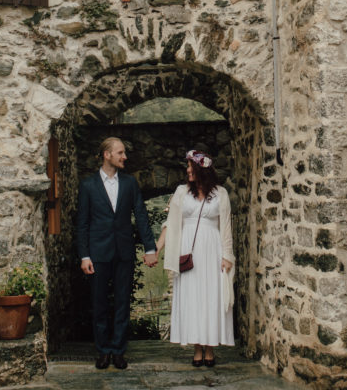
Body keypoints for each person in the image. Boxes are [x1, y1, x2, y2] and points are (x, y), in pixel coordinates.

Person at [76, 137, 157, 370]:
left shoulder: (130, 183)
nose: (125, 157)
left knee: (123, 304)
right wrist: (84, 256)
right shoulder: (88, 186)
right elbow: (82, 224)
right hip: (97, 254)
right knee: (99, 304)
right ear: (107, 155)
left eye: (124, 153)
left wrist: (150, 248)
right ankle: (103, 351)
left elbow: (141, 215)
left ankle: (119, 351)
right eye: (120, 153)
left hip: (124, 252)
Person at [155, 149, 235, 366]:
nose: (188, 171)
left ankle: (210, 348)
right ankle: (197, 348)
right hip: (187, 249)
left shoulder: (221, 194)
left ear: (202, 169)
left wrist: (227, 255)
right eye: (187, 167)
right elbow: (170, 224)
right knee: (192, 297)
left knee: (211, 298)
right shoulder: (181, 192)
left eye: (191, 167)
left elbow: (226, 226)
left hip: (212, 249)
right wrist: (157, 249)